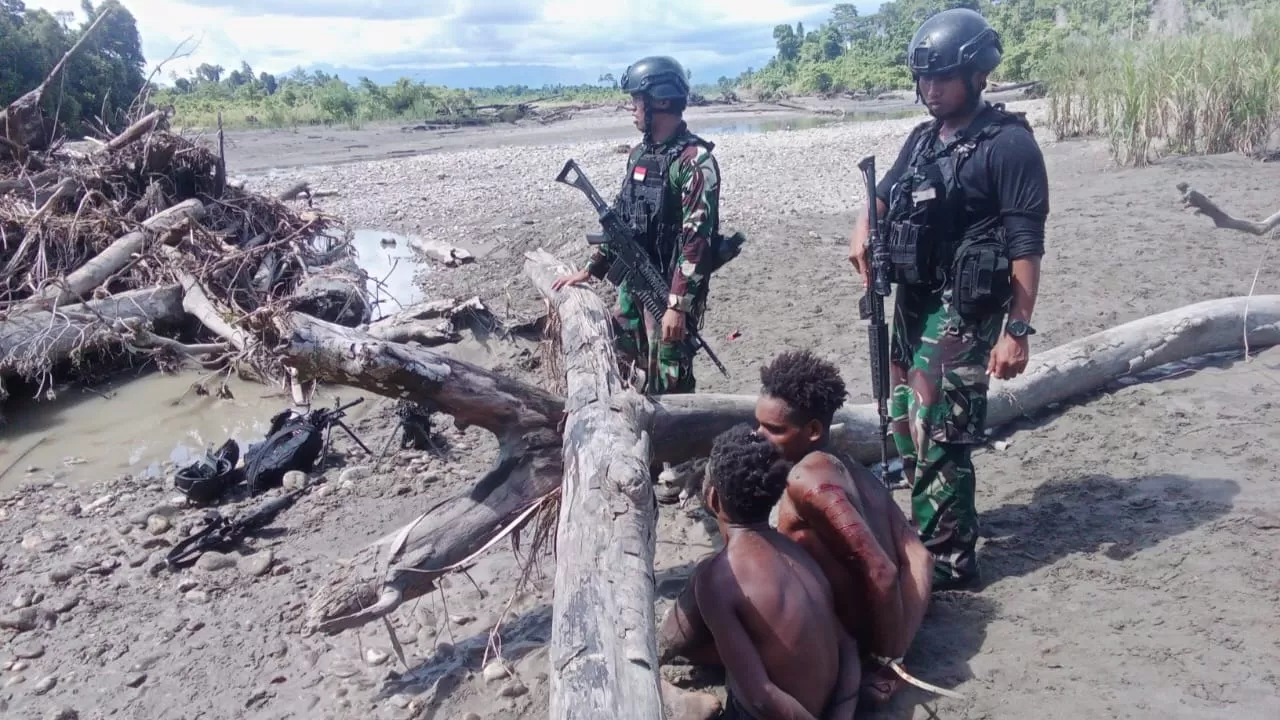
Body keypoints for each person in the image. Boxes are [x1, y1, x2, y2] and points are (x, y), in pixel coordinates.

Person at [847, 8, 1050, 592]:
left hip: (966, 306)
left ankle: (950, 559)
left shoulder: (1009, 146)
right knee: (902, 416)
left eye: (942, 77)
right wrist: (863, 228)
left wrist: (1018, 328)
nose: (929, 89)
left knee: (939, 424)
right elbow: (882, 198)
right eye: (922, 78)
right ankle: (931, 525)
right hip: (913, 297)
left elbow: (1026, 243)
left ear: (977, 74)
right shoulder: (921, 139)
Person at [754, 349, 934, 706]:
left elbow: (881, 572)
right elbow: (919, 556)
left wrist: (887, 661)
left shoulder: (807, 482)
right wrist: (900, 644)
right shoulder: (858, 472)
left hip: (841, 643)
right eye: (757, 424)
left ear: (814, 430)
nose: (758, 436)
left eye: (774, 429)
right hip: (871, 630)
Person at [657, 424, 862, 720]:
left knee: (705, 581)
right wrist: (841, 714)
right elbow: (848, 647)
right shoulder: (797, 553)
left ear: (713, 499)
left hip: (767, 713)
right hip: (825, 703)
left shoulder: (717, 579)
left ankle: (661, 672)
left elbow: (763, 697)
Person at [552, 55, 727, 395]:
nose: (632, 108)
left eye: (636, 100)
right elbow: (622, 219)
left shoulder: (695, 162)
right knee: (625, 369)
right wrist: (591, 268)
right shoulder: (638, 155)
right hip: (632, 286)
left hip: (668, 292)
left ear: (660, 101)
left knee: (668, 381)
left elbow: (697, 242)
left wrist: (677, 306)